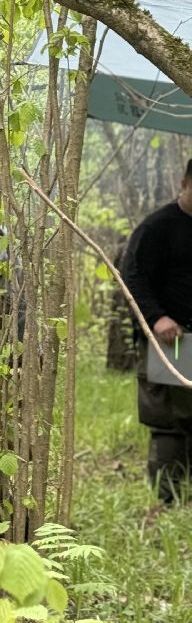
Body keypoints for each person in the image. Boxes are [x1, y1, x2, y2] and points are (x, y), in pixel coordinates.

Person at [119, 158, 192, 504]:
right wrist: (156, 317)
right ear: (184, 183)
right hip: (169, 340)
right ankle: (169, 502)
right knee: (168, 422)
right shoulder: (157, 228)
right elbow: (131, 277)